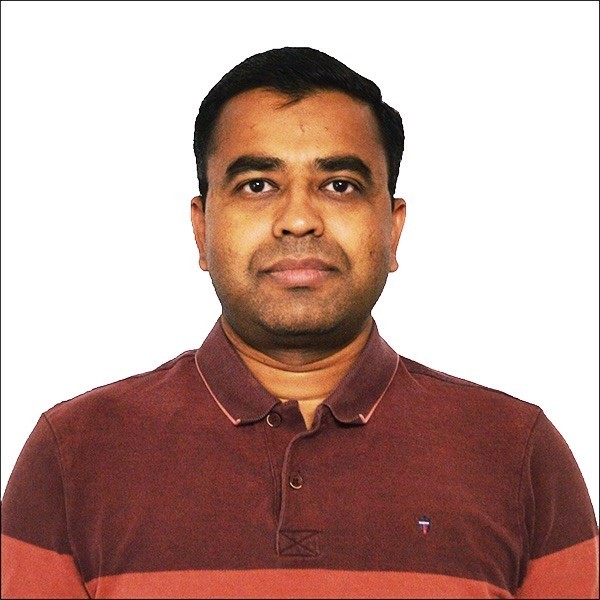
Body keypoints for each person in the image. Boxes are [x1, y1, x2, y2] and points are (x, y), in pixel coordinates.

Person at [1, 47, 597, 599]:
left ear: (393, 229)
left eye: (339, 185)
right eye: (257, 185)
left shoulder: (517, 453)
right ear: (201, 229)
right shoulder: (74, 454)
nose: (298, 220)